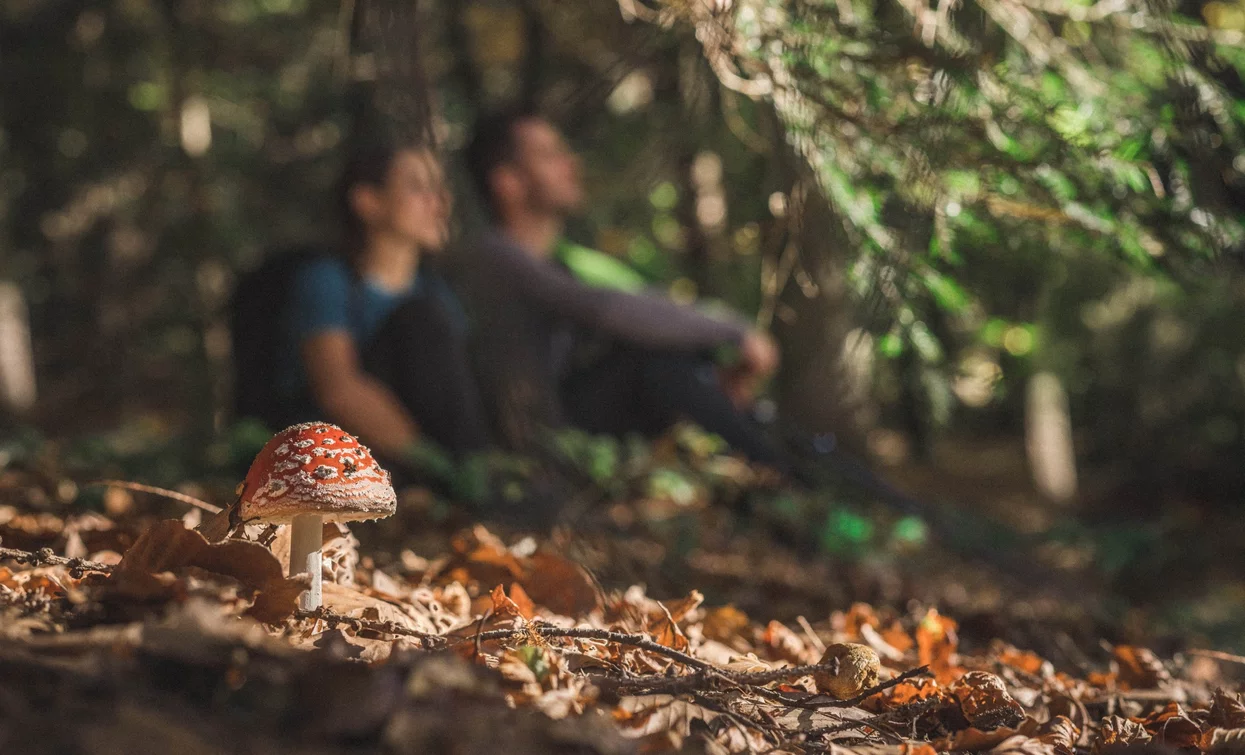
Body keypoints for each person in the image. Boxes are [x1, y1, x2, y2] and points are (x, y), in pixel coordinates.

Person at [460, 109, 792, 474]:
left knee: (668, 362)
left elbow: (634, 309)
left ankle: (779, 464)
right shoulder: (493, 258)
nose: (571, 163)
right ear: (507, 182)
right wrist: (733, 330)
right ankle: (778, 472)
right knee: (652, 363)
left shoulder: (555, 263)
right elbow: (609, 310)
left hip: (566, 432)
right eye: (549, 155)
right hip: (531, 447)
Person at [274, 133, 491, 497]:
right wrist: (438, 469)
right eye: (418, 188)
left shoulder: (437, 291)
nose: (439, 202)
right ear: (368, 201)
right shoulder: (326, 280)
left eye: (440, 188)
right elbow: (338, 390)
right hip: (354, 462)